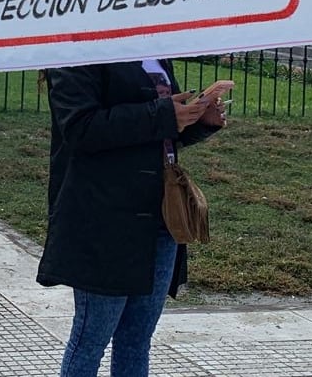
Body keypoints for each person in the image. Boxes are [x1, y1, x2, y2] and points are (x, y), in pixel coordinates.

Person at [36, 58, 230, 377]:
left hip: (161, 216)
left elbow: (166, 129)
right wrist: (165, 114)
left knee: (136, 340)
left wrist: (199, 120)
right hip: (104, 219)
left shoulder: (153, 49)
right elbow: (81, 128)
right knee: (90, 341)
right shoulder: (78, 52)